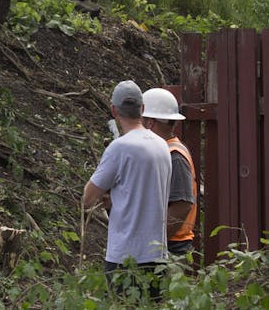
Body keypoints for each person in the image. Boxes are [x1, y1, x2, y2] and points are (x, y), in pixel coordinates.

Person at [82, 80, 171, 292]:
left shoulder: (119, 148)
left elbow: (87, 198)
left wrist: (107, 195)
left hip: (125, 258)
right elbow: (147, 192)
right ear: (142, 109)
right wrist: (117, 198)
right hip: (158, 256)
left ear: (114, 110)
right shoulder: (162, 146)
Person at [141, 88, 198, 260]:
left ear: (150, 123)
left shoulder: (174, 157)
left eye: (140, 121)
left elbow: (182, 205)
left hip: (172, 246)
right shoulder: (164, 151)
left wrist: (155, 241)